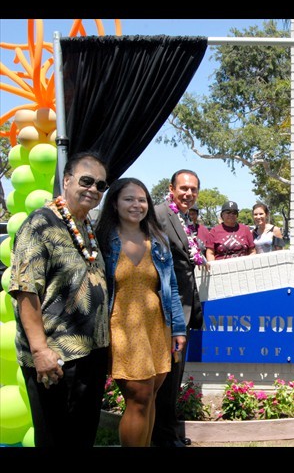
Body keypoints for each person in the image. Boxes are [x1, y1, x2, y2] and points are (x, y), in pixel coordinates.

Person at [9, 152, 110, 447]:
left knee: (82, 437)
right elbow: (25, 289)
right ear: (66, 181)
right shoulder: (41, 223)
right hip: (56, 359)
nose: (94, 189)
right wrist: (40, 351)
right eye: (86, 180)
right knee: (56, 439)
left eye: (101, 185)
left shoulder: (86, 227)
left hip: (90, 354)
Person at [94, 178, 187, 447]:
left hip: (157, 325)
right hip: (120, 326)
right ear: (114, 203)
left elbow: (170, 286)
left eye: (142, 199)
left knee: (150, 396)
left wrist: (178, 328)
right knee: (138, 396)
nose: (137, 205)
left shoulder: (157, 240)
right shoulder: (102, 240)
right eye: (129, 199)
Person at [153, 169, 205, 447]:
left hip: (182, 310)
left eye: (193, 190)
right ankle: (163, 437)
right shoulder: (160, 214)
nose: (188, 194)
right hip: (167, 313)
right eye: (183, 188)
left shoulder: (182, 217)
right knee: (167, 380)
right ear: (172, 188)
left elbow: (184, 256)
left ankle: (166, 433)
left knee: (173, 379)